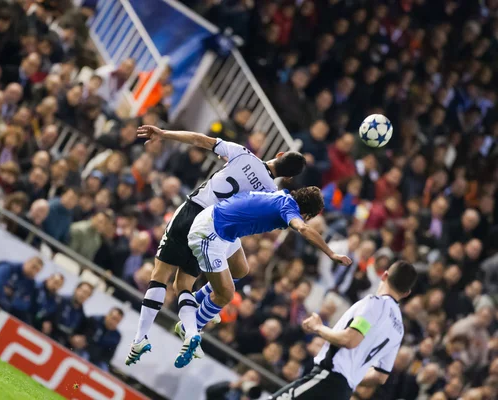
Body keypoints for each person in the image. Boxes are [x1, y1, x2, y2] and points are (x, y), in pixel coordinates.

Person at [125, 125, 307, 366]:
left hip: (192, 211)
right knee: (185, 284)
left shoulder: (243, 153)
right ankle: (192, 330)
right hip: (212, 229)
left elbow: (199, 139)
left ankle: (140, 337)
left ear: (281, 154)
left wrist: (164, 134)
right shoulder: (270, 193)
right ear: (290, 177)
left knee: (160, 276)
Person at [176, 187, 350, 368]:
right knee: (226, 294)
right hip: (213, 229)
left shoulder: (281, 194)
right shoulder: (288, 207)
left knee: (240, 269)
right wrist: (331, 253)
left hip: (221, 224)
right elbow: (303, 228)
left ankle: (194, 302)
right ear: (306, 214)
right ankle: (189, 328)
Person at [268, 260, 418, 400]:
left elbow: (350, 339)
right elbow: (380, 376)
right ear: (407, 293)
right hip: (344, 392)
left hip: (328, 377)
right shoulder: (398, 330)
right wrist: (350, 380)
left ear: (384, 275)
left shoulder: (374, 304)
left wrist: (318, 327)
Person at [0, 256, 44, 323]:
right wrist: (10, 298)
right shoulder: (8, 267)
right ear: (27, 262)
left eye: (37, 271)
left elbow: (25, 304)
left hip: (8, 310)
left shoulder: (30, 283)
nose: (33, 271)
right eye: (33, 267)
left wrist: (12, 296)